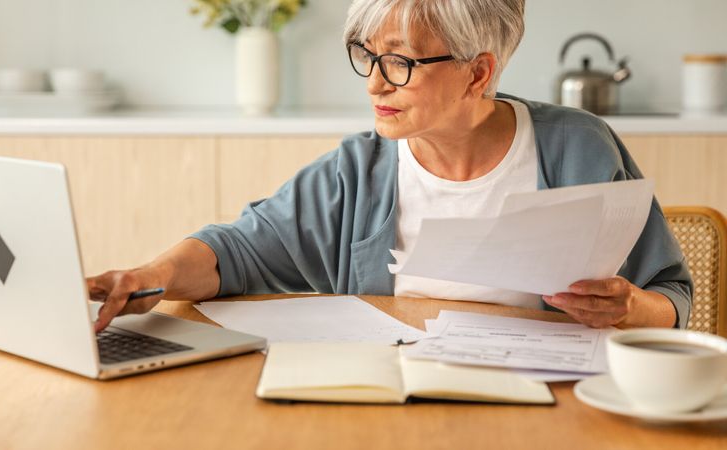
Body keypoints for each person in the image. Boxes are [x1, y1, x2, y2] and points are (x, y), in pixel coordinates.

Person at [89, 0, 692, 333]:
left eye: (400, 61)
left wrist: (632, 308)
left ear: (478, 73)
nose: (376, 81)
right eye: (368, 55)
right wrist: (149, 274)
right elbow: (237, 252)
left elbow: (672, 295)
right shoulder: (359, 169)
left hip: (549, 411)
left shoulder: (581, 148)